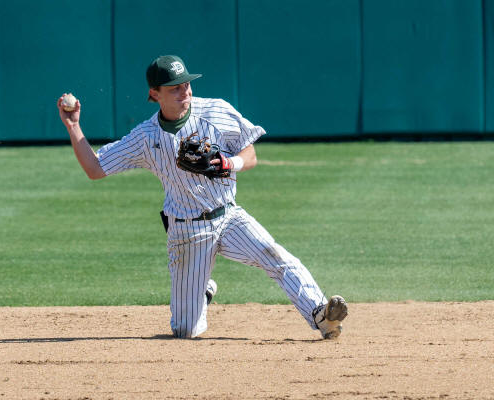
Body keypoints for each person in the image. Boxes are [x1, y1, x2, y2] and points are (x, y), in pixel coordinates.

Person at [57, 55, 348, 339]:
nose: (184, 91)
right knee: (186, 331)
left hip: (229, 217)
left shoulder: (216, 111)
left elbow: (250, 153)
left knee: (274, 256)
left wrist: (229, 163)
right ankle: (202, 291)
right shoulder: (145, 137)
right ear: (155, 94)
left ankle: (322, 315)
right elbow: (95, 169)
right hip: (187, 231)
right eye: (174, 88)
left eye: (186, 84)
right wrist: (73, 126)